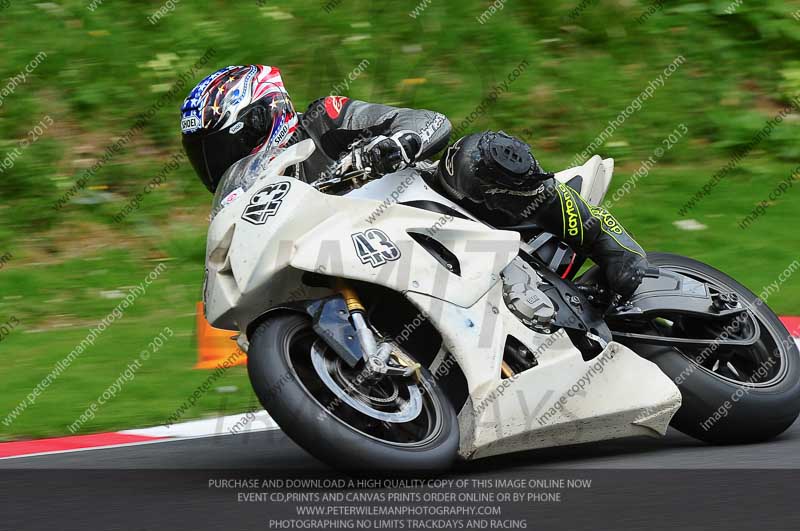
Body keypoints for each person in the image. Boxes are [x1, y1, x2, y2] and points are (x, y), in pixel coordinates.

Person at [181, 65, 648, 298]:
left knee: (476, 156)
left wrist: (396, 145)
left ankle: (606, 239)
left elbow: (429, 120)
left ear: (260, 116)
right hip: (373, 261)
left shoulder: (324, 120)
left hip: (428, 206)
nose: (218, 164)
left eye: (220, 147)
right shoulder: (258, 201)